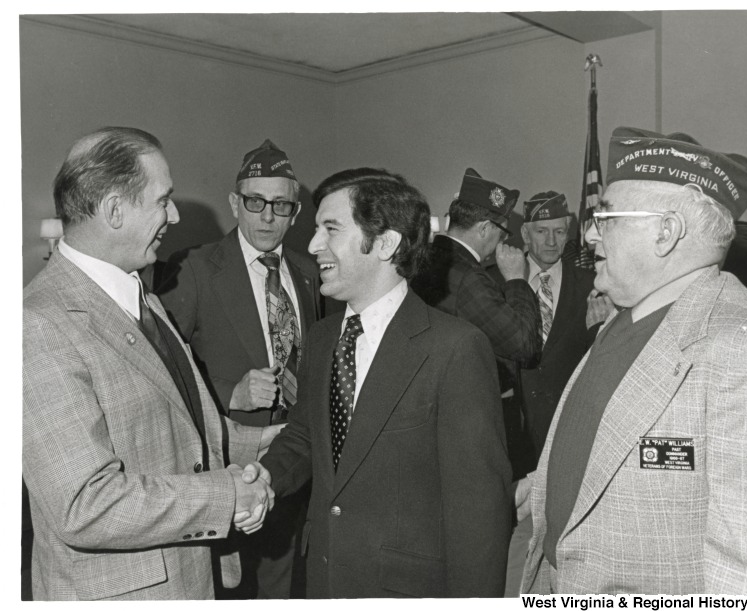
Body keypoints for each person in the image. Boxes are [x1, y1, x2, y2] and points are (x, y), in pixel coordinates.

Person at [520, 127, 747, 594]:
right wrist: (545, 482)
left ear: (666, 231)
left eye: (606, 217)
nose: (587, 233)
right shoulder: (626, 317)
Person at [23, 127, 275, 600]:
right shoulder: (38, 323)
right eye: (164, 200)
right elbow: (85, 504)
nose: (174, 216)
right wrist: (227, 496)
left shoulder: (144, 299)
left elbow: (175, 426)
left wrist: (260, 444)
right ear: (116, 209)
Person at [261, 168, 513, 597]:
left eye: (331, 229)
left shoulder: (454, 349)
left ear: (385, 243)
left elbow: (479, 516)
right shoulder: (322, 339)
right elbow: (306, 437)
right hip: (324, 580)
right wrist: (261, 480)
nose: (312, 245)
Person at [157, 138, 323, 599]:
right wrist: (230, 392)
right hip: (227, 463)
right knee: (229, 587)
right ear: (235, 204)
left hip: (294, 459)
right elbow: (161, 370)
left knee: (284, 583)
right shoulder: (191, 268)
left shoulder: (308, 272)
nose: (267, 217)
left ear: (294, 211)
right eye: (255, 202)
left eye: (281, 205)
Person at [504, 190, 613, 596]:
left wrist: (599, 330)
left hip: (567, 435)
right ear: (525, 234)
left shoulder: (595, 283)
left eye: (560, 231)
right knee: (512, 541)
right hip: (514, 435)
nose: (552, 241)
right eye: (543, 232)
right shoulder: (501, 282)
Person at [412, 168, 539, 483]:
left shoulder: (420, 260)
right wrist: (516, 280)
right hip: (467, 419)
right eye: (501, 231)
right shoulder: (469, 277)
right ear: (485, 228)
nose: (501, 240)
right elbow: (523, 343)